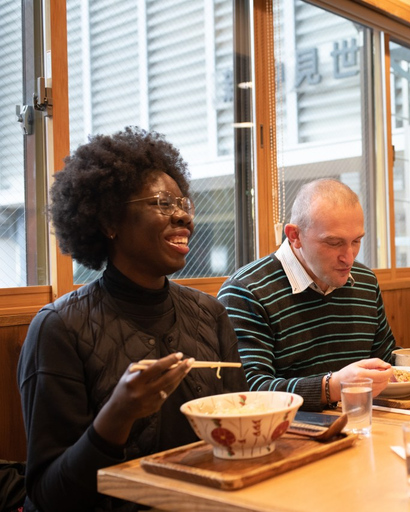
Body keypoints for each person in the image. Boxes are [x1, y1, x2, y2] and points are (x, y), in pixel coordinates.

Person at [17, 127, 247, 512]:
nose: (182, 217)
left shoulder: (210, 314)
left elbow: (237, 435)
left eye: (183, 203)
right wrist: (117, 415)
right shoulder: (59, 328)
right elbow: (48, 495)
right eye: (161, 202)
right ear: (109, 222)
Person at [218, 179, 410, 411]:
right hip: (288, 437)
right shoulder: (246, 291)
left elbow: (382, 360)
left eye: (356, 241)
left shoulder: (364, 281)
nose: (349, 257)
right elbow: (248, 391)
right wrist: (331, 386)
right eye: (334, 243)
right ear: (294, 236)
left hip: (362, 426)